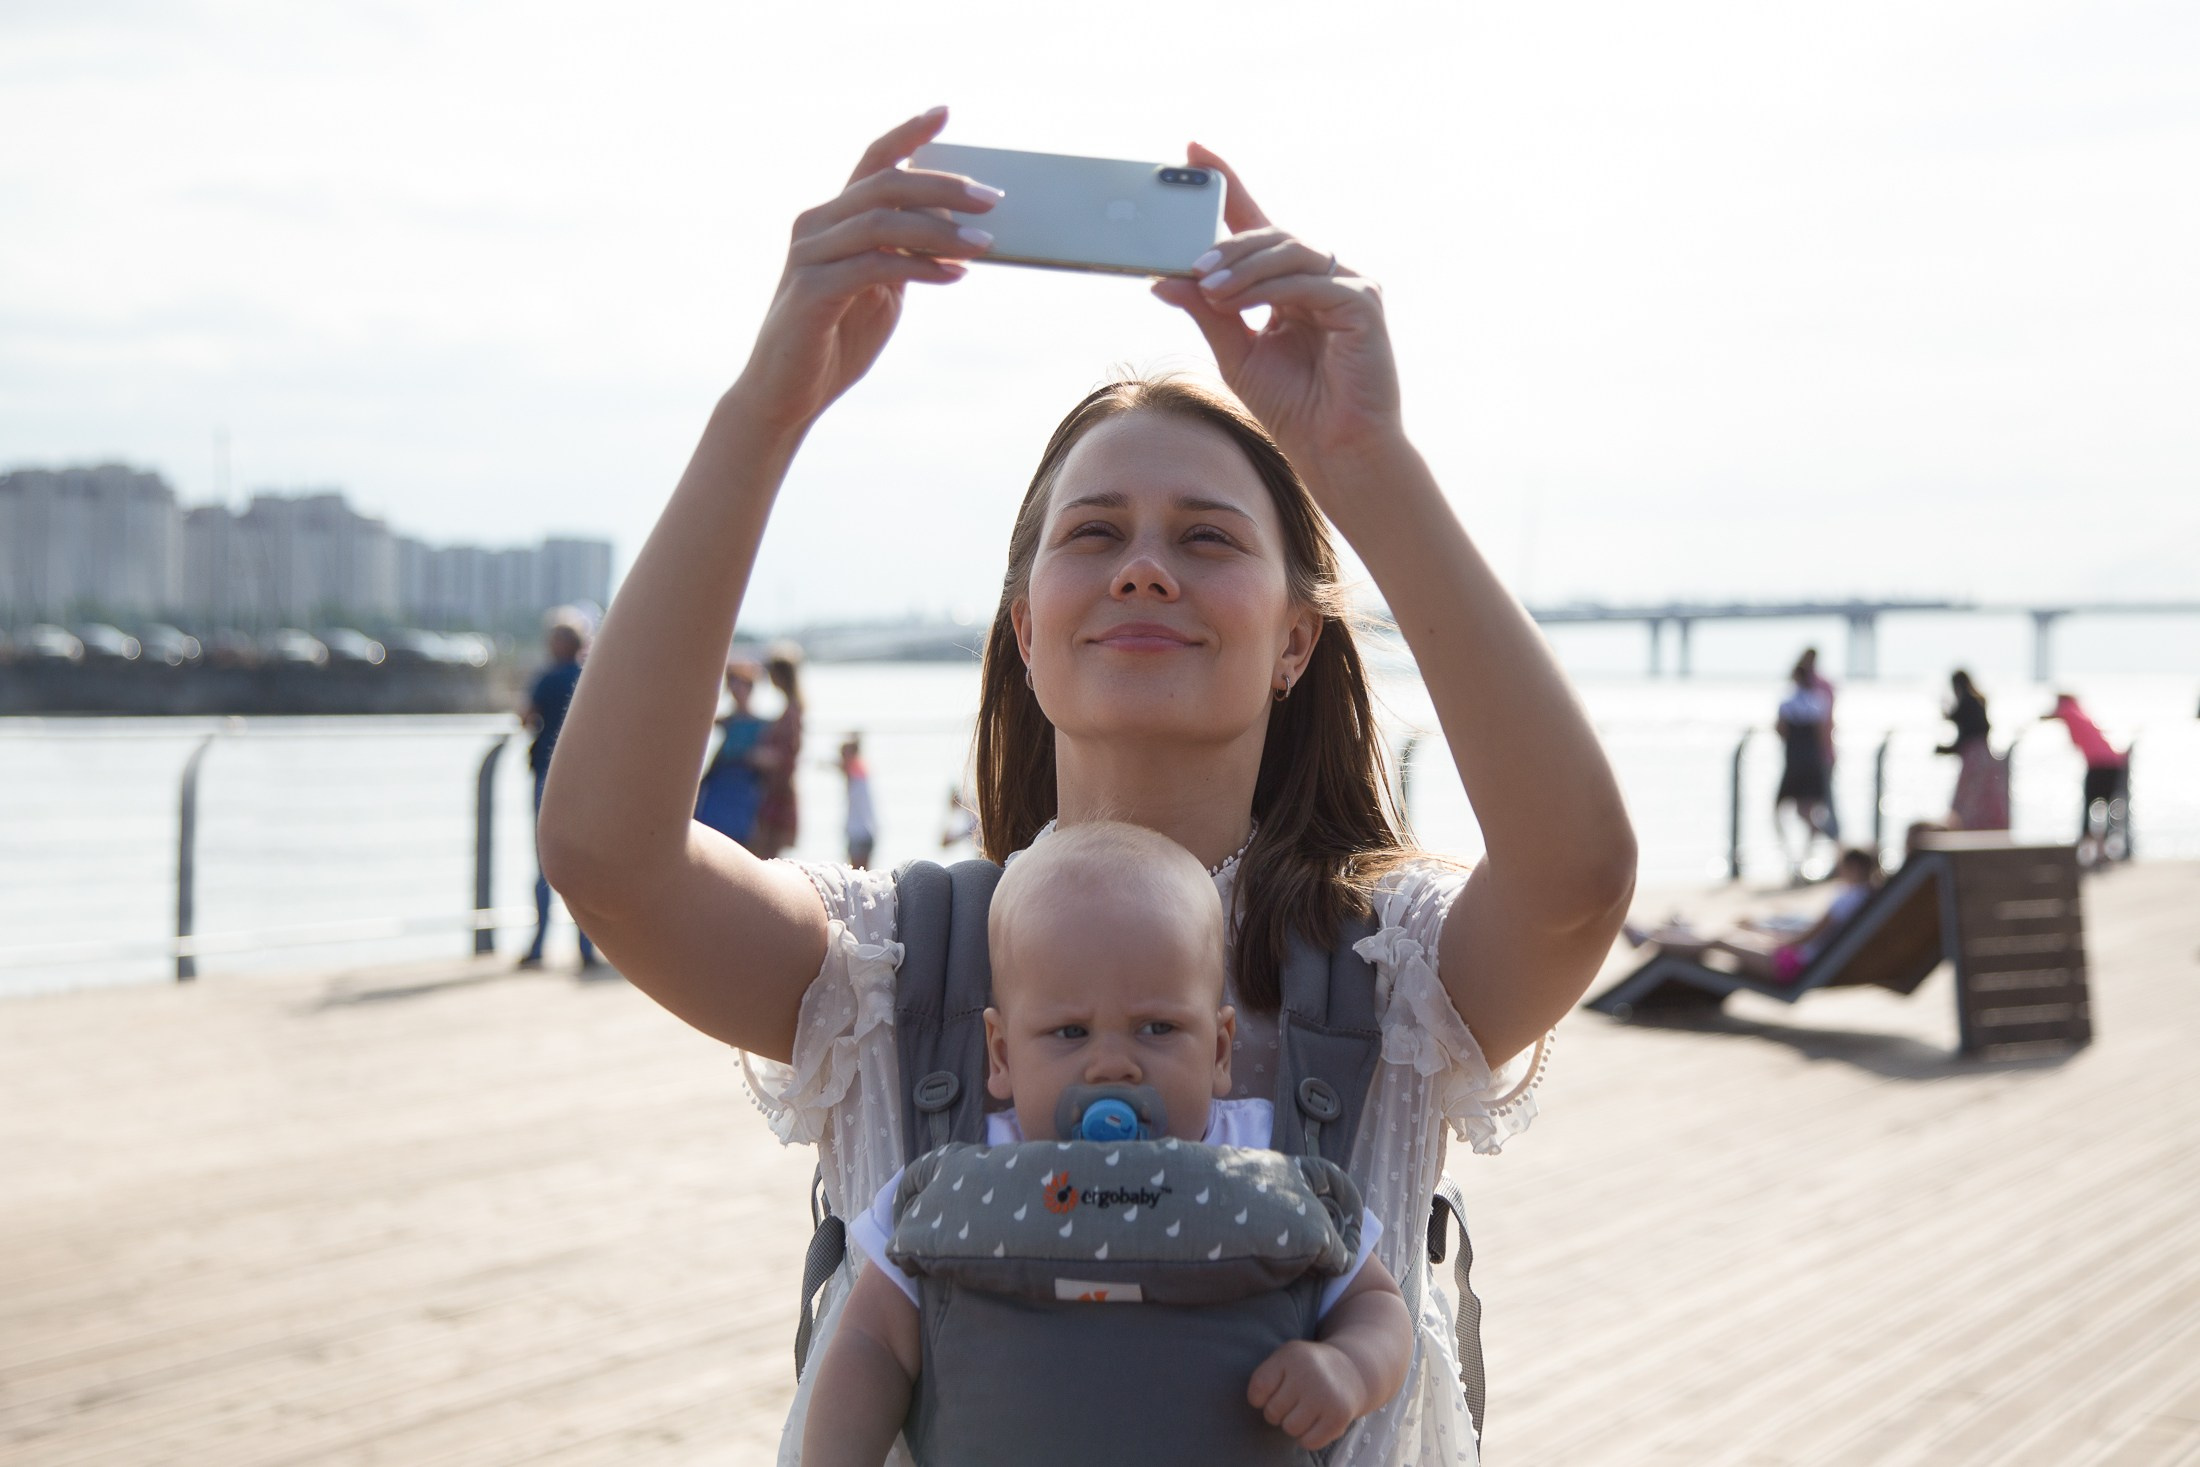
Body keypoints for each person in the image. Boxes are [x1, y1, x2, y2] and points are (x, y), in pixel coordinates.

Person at [538, 108, 1636, 1466]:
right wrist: (767, 408)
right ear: (1024, 626)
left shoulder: (1391, 970)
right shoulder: (895, 964)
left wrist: (1365, 459)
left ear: (1298, 637)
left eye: (1208, 536)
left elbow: (1578, 876)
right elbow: (607, 854)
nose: (1143, 566)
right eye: (1096, 532)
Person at [802, 823, 1413, 1465]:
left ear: (1220, 1050)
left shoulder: (1264, 1154)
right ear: (1002, 1056)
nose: (1112, 1065)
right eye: (1070, 1032)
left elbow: (1376, 1303)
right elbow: (874, 1340)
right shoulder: (967, 1167)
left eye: (1158, 1027)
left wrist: (1347, 1368)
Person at [1629, 846, 1883, 982]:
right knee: (1733, 934)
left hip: (1789, 965)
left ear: (1852, 867)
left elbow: (1807, 938)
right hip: (1795, 958)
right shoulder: (1865, 896)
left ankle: (1652, 939)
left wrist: (1773, 940)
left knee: (1721, 940)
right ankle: (1667, 933)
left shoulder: (1847, 899)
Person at [520, 611, 599, 971]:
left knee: (544, 864)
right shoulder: (589, 678)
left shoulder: (546, 678)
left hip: (547, 779)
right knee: (584, 866)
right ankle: (586, 949)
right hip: (585, 781)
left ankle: (539, 945)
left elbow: (526, 718)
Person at [2042, 692, 2131, 864]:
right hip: (2109, 763)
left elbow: (2052, 715)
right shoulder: (2079, 712)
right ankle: (2099, 850)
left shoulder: (2068, 710)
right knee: (2104, 807)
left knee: (2091, 806)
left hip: (2101, 765)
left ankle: (2090, 850)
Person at [1773, 655, 1836, 881]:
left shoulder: (1787, 702)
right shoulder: (1817, 701)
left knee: (1780, 811)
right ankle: (1805, 856)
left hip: (1794, 764)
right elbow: (1823, 735)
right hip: (1813, 763)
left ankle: (1795, 861)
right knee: (1808, 811)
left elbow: (1779, 729)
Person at [696, 660, 770, 847]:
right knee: (709, 836)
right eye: (733, 685)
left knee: (738, 840)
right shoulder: (724, 721)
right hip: (719, 788)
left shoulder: (762, 725)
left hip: (744, 790)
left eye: (741, 685)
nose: (736, 691)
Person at [752, 646, 805, 858]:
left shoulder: (792, 712)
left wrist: (758, 757)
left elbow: (787, 755)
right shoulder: (792, 708)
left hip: (779, 792)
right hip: (777, 791)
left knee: (767, 855)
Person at [1938, 670, 2008, 831]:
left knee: (1967, 798)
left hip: (1974, 756)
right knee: (1983, 799)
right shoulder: (1977, 700)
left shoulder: (1967, 701)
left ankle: (1964, 829)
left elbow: (1960, 723)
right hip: (1983, 754)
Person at [1795, 647, 1839, 838]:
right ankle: (1831, 841)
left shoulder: (1813, 688)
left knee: (1809, 808)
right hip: (1820, 754)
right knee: (1819, 806)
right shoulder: (1825, 686)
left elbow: (1823, 725)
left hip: (1811, 757)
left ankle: (1833, 839)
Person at [838, 734, 877, 869]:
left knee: (858, 877)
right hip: (858, 832)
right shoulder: (857, 771)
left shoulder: (857, 769)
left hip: (860, 832)